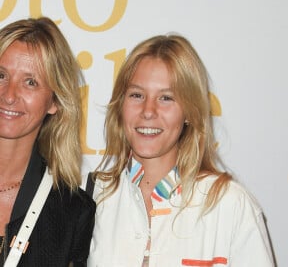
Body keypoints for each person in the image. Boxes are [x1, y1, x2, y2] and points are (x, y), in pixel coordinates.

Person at [87, 34, 275, 266]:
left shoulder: (230, 205)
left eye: (166, 98)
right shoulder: (94, 199)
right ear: (120, 104)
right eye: (137, 95)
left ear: (189, 112)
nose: (148, 110)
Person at [0, 17, 95, 266]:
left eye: (30, 82)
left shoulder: (72, 212)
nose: (9, 95)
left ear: (54, 102)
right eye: (1, 75)